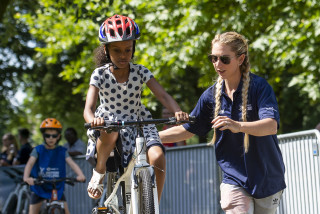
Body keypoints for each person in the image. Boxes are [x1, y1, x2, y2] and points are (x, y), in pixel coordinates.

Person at [159, 32, 286, 214]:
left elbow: (271, 125)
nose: (218, 64)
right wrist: (151, 137)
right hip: (233, 178)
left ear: (241, 59)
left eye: (224, 59)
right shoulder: (210, 96)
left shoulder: (260, 88)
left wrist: (238, 125)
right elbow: (188, 130)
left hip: (267, 176)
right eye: (214, 58)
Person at [84, 14, 188, 200]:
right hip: (109, 120)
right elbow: (88, 108)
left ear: (133, 48)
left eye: (127, 49)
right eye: (117, 50)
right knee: (111, 130)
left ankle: (153, 204)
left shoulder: (141, 71)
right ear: (106, 51)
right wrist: (94, 121)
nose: (123, 55)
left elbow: (163, 95)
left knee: (157, 157)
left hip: (139, 121)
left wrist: (177, 111)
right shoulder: (99, 74)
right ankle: (99, 172)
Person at [23, 118, 86, 214]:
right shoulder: (38, 150)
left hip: (56, 188)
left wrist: (80, 175)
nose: (51, 138)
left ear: (59, 136)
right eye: (48, 135)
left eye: (54, 135)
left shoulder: (62, 151)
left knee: (66, 211)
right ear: (43, 136)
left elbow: (72, 164)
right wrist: (26, 177)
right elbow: (30, 163)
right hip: (40, 186)